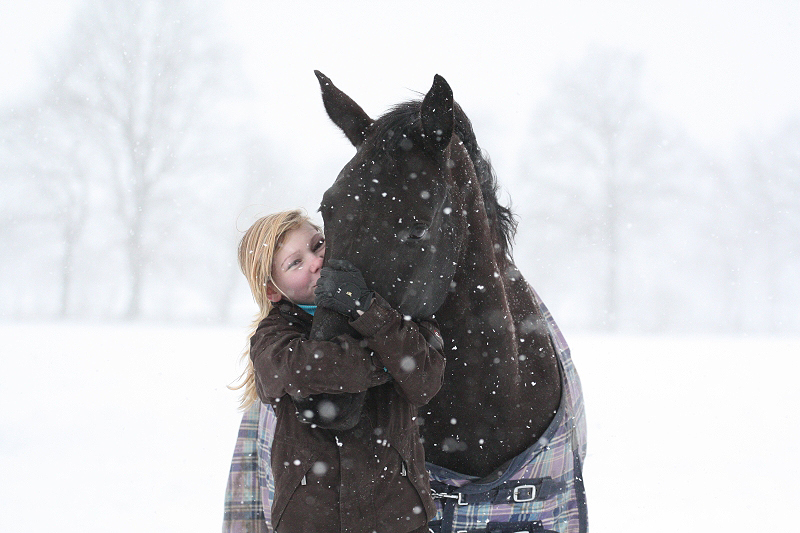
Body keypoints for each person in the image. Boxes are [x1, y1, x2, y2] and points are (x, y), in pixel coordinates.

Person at [232, 209, 445, 533]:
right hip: (312, 520)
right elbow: (299, 369)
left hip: (399, 515)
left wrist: (367, 309)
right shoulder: (274, 336)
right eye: (295, 263)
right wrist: (382, 363)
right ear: (273, 291)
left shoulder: (392, 308)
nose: (316, 261)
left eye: (318, 245)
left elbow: (425, 379)